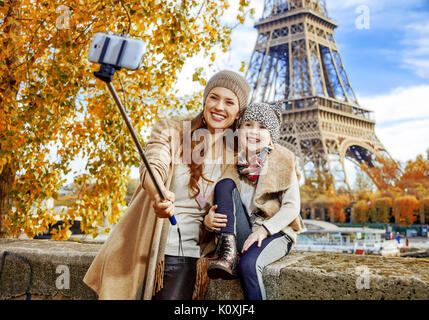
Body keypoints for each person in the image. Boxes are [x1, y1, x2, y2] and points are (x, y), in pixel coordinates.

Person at [83, 70, 251, 300]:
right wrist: (158, 193)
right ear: (204, 99)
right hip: (145, 247)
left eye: (229, 102)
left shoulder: (234, 156)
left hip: (185, 254)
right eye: (214, 97)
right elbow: (153, 164)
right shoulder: (171, 130)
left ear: (238, 111)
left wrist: (209, 222)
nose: (219, 106)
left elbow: (214, 204)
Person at [203, 102, 306, 300]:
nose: (253, 131)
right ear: (239, 130)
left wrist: (264, 229)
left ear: (271, 136)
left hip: (275, 232)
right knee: (224, 185)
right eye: (248, 124)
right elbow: (220, 204)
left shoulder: (283, 160)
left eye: (262, 127)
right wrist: (209, 220)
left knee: (249, 265)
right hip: (242, 232)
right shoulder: (232, 165)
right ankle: (228, 253)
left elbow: (292, 207)